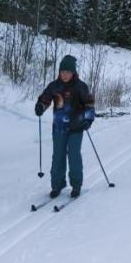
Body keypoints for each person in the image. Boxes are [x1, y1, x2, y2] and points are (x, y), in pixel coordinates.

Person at [35, 55, 95, 197]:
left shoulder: (81, 86)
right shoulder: (54, 86)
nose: (65, 75)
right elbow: (45, 98)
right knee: (58, 156)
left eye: (68, 72)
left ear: (73, 72)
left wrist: (88, 120)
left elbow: (89, 105)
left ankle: (76, 185)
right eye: (62, 71)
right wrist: (40, 106)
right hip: (59, 128)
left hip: (77, 127)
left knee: (74, 156)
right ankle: (57, 185)